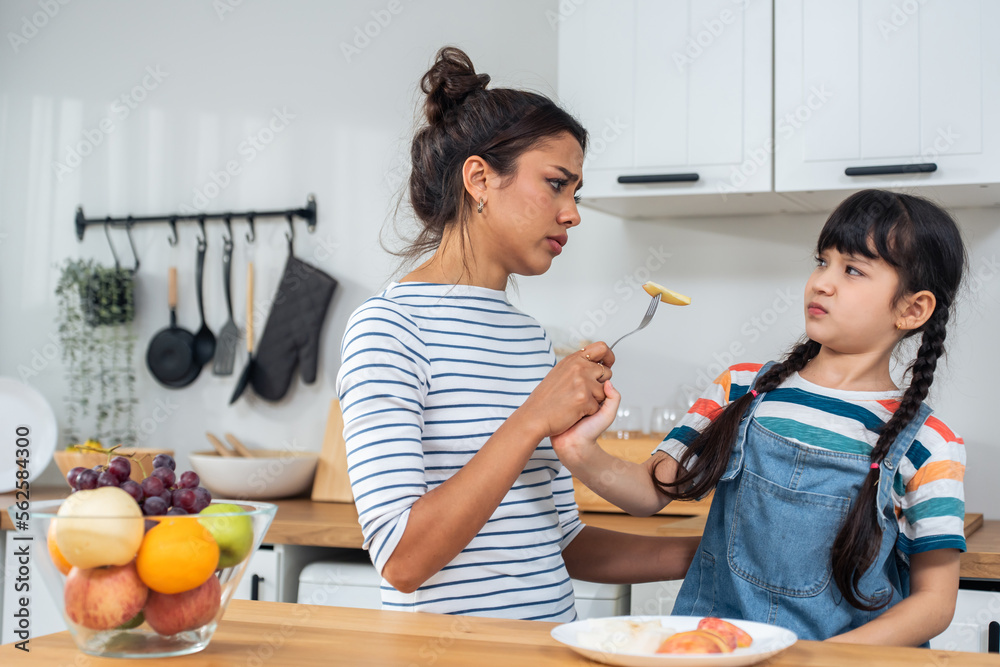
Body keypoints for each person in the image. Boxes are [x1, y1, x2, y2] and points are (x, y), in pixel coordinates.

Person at [336, 46, 699, 621]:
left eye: (575, 192)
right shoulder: (389, 329)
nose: (573, 212)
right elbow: (403, 560)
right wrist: (534, 416)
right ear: (479, 179)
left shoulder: (528, 338)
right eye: (557, 184)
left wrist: (708, 555)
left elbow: (559, 541)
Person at [553, 189, 967, 645]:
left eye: (852, 270)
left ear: (913, 309)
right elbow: (649, 492)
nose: (822, 282)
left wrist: (817, 660)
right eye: (822, 261)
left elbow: (934, 603)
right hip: (713, 650)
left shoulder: (930, 443)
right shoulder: (740, 388)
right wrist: (579, 450)